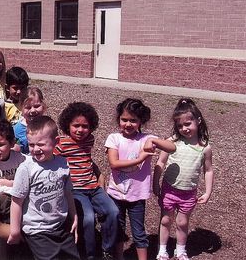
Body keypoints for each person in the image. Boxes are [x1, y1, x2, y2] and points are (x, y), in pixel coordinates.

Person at [105, 98, 176, 260]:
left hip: (137, 196)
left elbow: (172, 147)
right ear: (118, 119)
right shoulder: (114, 138)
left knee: (138, 232)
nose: (128, 124)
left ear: (141, 121)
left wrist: (154, 140)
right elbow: (114, 163)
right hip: (116, 194)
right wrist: (140, 158)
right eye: (124, 120)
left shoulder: (145, 139)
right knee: (119, 229)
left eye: (133, 120)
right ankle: (119, 257)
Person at [7, 116, 80, 260]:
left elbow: (68, 193)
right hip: (38, 230)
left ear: (56, 142)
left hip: (61, 225)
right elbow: (16, 201)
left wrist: (74, 216)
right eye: (32, 145)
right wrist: (15, 231)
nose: (35, 149)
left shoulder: (62, 164)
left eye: (41, 144)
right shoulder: (26, 168)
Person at [55, 102, 119, 260]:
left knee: (113, 212)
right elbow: (53, 162)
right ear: (67, 125)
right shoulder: (61, 144)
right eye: (76, 125)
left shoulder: (89, 140)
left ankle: (107, 249)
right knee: (89, 219)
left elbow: (86, 159)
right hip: (75, 190)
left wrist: (99, 178)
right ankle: (88, 254)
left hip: (94, 187)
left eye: (85, 126)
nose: (80, 130)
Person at [153, 98, 214, 260]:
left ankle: (180, 251)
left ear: (198, 121)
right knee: (166, 220)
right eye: (180, 126)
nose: (184, 129)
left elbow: (208, 170)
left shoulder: (204, 147)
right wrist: (155, 183)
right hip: (169, 189)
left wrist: (208, 192)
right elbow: (160, 161)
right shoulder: (172, 142)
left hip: (189, 193)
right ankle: (162, 250)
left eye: (188, 124)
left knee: (182, 223)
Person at [13, 87, 46, 154]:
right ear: (21, 108)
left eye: (37, 106)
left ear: (43, 106)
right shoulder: (17, 130)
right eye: (28, 107)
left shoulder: (48, 125)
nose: (33, 110)